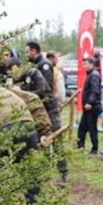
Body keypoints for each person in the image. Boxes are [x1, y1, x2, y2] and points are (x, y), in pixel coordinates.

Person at [26, 41, 68, 182]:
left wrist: (28, 94)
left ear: (34, 51)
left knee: (55, 140)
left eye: (28, 52)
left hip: (49, 109)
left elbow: (46, 89)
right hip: (39, 110)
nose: (27, 54)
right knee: (39, 141)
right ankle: (42, 173)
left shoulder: (44, 65)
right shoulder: (34, 66)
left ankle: (64, 172)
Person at [76, 57, 102, 154]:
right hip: (88, 108)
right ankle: (80, 147)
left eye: (85, 64)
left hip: (91, 107)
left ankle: (95, 149)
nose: (84, 66)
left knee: (92, 129)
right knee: (82, 129)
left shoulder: (94, 75)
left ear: (91, 64)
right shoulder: (91, 75)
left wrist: (90, 103)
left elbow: (94, 91)